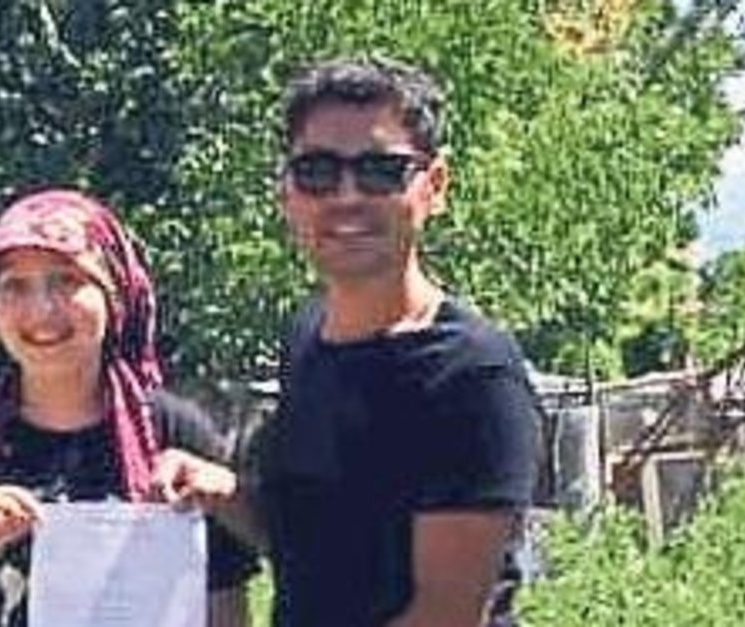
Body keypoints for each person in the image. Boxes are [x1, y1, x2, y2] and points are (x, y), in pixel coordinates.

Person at [157, 57, 540, 626]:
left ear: (434, 186)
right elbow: (310, 553)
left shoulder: (471, 375)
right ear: (286, 192)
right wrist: (222, 491)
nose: (346, 196)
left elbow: (443, 616)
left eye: (381, 171)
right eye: (317, 171)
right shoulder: (307, 338)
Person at [0, 189, 258, 627]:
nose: (42, 310)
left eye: (67, 280)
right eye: (16, 286)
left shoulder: (176, 436)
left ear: (114, 295)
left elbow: (226, 614)